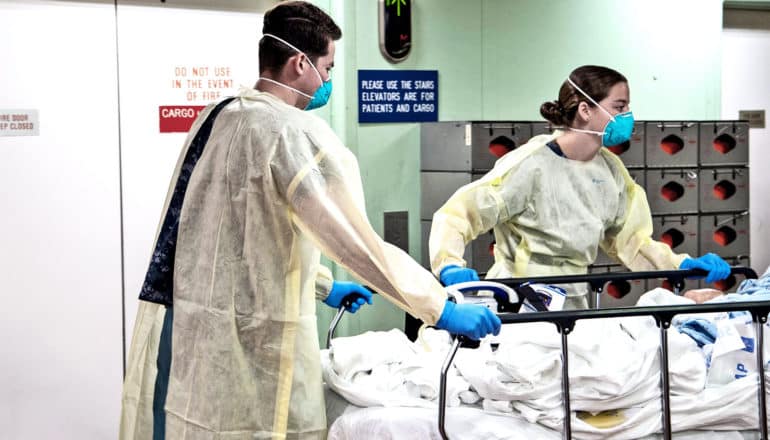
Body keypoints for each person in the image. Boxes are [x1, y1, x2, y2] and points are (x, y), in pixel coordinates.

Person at [119, 2, 500, 439]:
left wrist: (324, 287)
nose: (329, 81)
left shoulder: (216, 117)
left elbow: (238, 237)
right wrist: (440, 308)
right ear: (300, 63)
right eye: (328, 67)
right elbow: (355, 243)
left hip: (187, 327)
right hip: (250, 339)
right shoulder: (291, 133)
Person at [429, 65, 731, 309]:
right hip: (521, 297)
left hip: (576, 297)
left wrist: (681, 263)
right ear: (586, 110)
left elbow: (632, 240)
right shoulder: (531, 164)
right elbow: (458, 215)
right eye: (619, 106)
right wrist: (448, 265)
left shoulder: (611, 171)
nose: (627, 116)